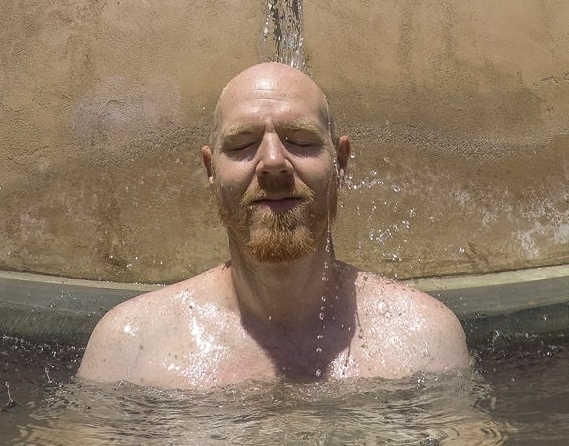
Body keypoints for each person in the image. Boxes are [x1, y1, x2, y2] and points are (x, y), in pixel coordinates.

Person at [78, 62, 470, 388]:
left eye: (300, 140)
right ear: (210, 170)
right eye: (242, 144)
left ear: (342, 163)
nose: (272, 162)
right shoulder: (131, 345)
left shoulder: (425, 340)